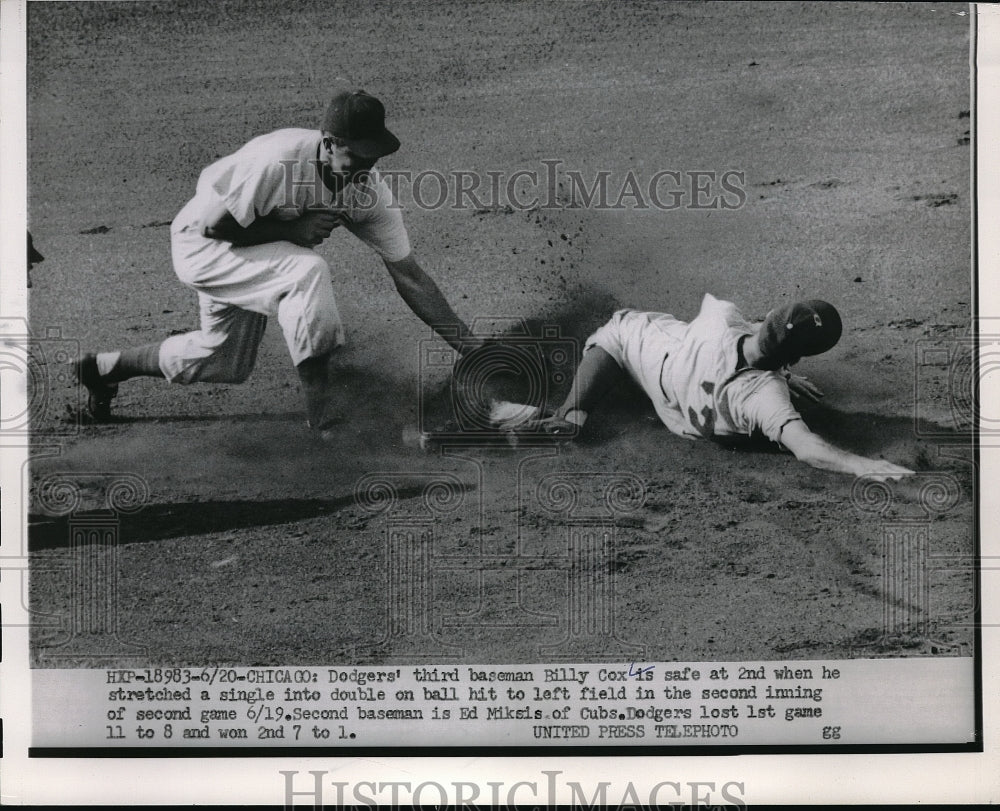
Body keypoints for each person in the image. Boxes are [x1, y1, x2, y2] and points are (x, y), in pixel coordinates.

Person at [74, 89, 480, 436]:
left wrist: (474, 350)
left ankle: (103, 368)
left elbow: (410, 277)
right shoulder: (278, 159)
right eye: (355, 156)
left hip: (249, 258)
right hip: (202, 246)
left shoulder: (366, 193)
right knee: (307, 271)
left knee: (224, 361)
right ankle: (323, 423)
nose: (365, 167)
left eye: (372, 157)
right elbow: (215, 227)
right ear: (328, 142)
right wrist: (293, 230)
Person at [510, 294, 914, 481]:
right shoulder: (761, 396)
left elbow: (762, 336)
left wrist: (784, 366)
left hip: (626, 350)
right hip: (678, 410)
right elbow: (807, 448)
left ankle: (559, 413)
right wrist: (860, 464)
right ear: (798, 359)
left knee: (582, 404)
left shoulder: (720, 316)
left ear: (768, 318)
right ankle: (571, 417)